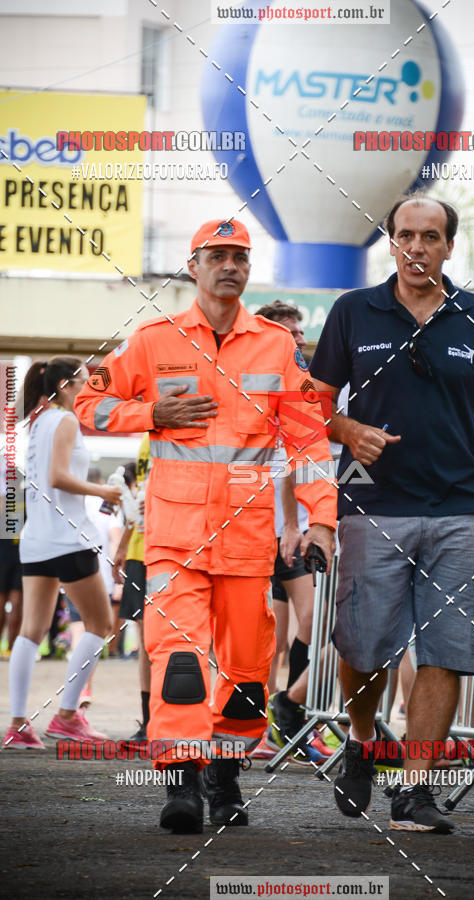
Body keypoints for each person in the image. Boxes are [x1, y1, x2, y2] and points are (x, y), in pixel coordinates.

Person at [74, 219, 338, 834]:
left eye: (240, 257)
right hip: (174, 538)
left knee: (247, 671)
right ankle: (183, 781)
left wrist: (322, 520)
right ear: (193, 266)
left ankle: (225, 775)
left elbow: (309, 440)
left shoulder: (276, 345)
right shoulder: (153, 340)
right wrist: (149, 411)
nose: (230, 266)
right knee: (181, 661)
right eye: (217, 256)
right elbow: (87, 400)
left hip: (248, 542)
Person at [310, 195, 474, 833]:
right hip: (371, 506)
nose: (417, 247)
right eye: (406, 235)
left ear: (449, 246)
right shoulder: (352, 311)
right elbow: (312, 406)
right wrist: (347, 429)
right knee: (363, 645)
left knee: (449, 648)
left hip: (462, 511)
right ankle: (362, 740)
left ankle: (415, 788)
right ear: (391, 242)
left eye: (431, 237)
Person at [2, 357, 120, 750]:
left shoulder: (37, 422)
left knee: (29, 633)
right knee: (100, 626)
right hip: (69, 539)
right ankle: (68, 716)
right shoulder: (65, 420)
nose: (91, 387)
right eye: (87, 381)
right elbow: (58, 477)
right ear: (68, 384)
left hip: (37, 540)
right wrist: (105, 492)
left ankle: (19, 725)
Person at [253, 300, 329, 759]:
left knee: (311, 626)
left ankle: (292, 717)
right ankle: (263, 725)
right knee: (269, 639)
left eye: (301, 332)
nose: (300, 339)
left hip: (293, 530)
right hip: (272, 530)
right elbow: (280, 464)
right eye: (291, 332)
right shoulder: (265, 382)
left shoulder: (301, 383)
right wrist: (288, 525)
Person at [113, 433, 152, 747]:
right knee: (146, 641)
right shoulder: (144, 439)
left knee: (166, 640)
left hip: (173, 550)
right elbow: (138, 500)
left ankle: (173, 720)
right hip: (141, 552)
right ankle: (149, 722)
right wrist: (124, 548)